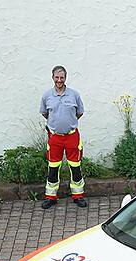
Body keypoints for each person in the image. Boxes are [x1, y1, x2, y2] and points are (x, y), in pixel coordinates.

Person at [39, 65, 87, 209]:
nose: (59, 80)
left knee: (75, 166)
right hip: (55, 138)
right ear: (52, 78)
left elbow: (80, 112)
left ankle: (78, 196)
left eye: (62, 77)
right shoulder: (47, 96)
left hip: (72, 136)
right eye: (57, 77)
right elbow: (44, 113)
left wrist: (68, 122)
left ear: (65, 78)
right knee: (53, 167)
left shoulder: (74, 95)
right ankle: (51, 197)